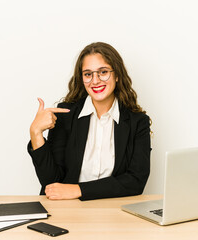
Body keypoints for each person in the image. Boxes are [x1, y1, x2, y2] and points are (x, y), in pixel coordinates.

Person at [28, 42, 151, 201]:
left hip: (115, 212)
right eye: (88, 74)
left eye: (103, 72)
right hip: (68, 210)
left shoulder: (138, 122)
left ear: (117, 75)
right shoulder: (65, 114)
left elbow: (136, 182)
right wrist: (35, 133)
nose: (95, 81)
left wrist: (79, 190)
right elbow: (51, 183)